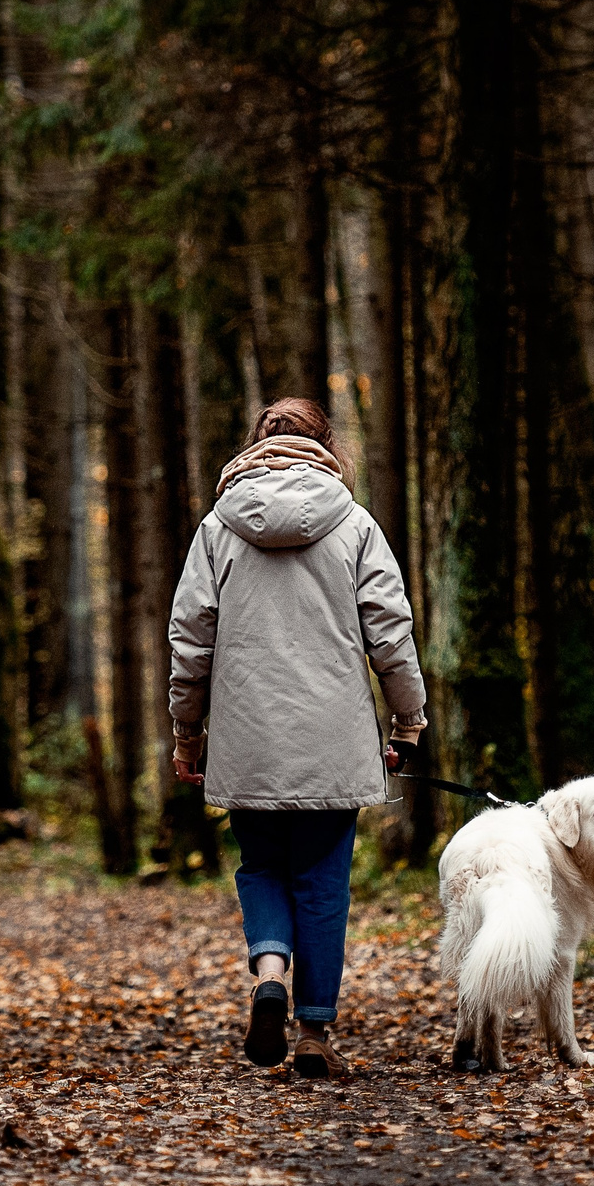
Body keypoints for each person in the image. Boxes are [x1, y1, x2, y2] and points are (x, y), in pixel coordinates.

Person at [167, 397, 427, 1080]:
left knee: (260, 866)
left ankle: (271, 973)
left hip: (247, 741)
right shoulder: (355, 525)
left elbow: (190, 642)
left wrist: (187, 734)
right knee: (323, 880)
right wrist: (408, 720)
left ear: (256, 445)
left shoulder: (217, 529)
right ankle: (313, 1028)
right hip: (332, 740)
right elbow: (391, 633)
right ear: (325, 444)